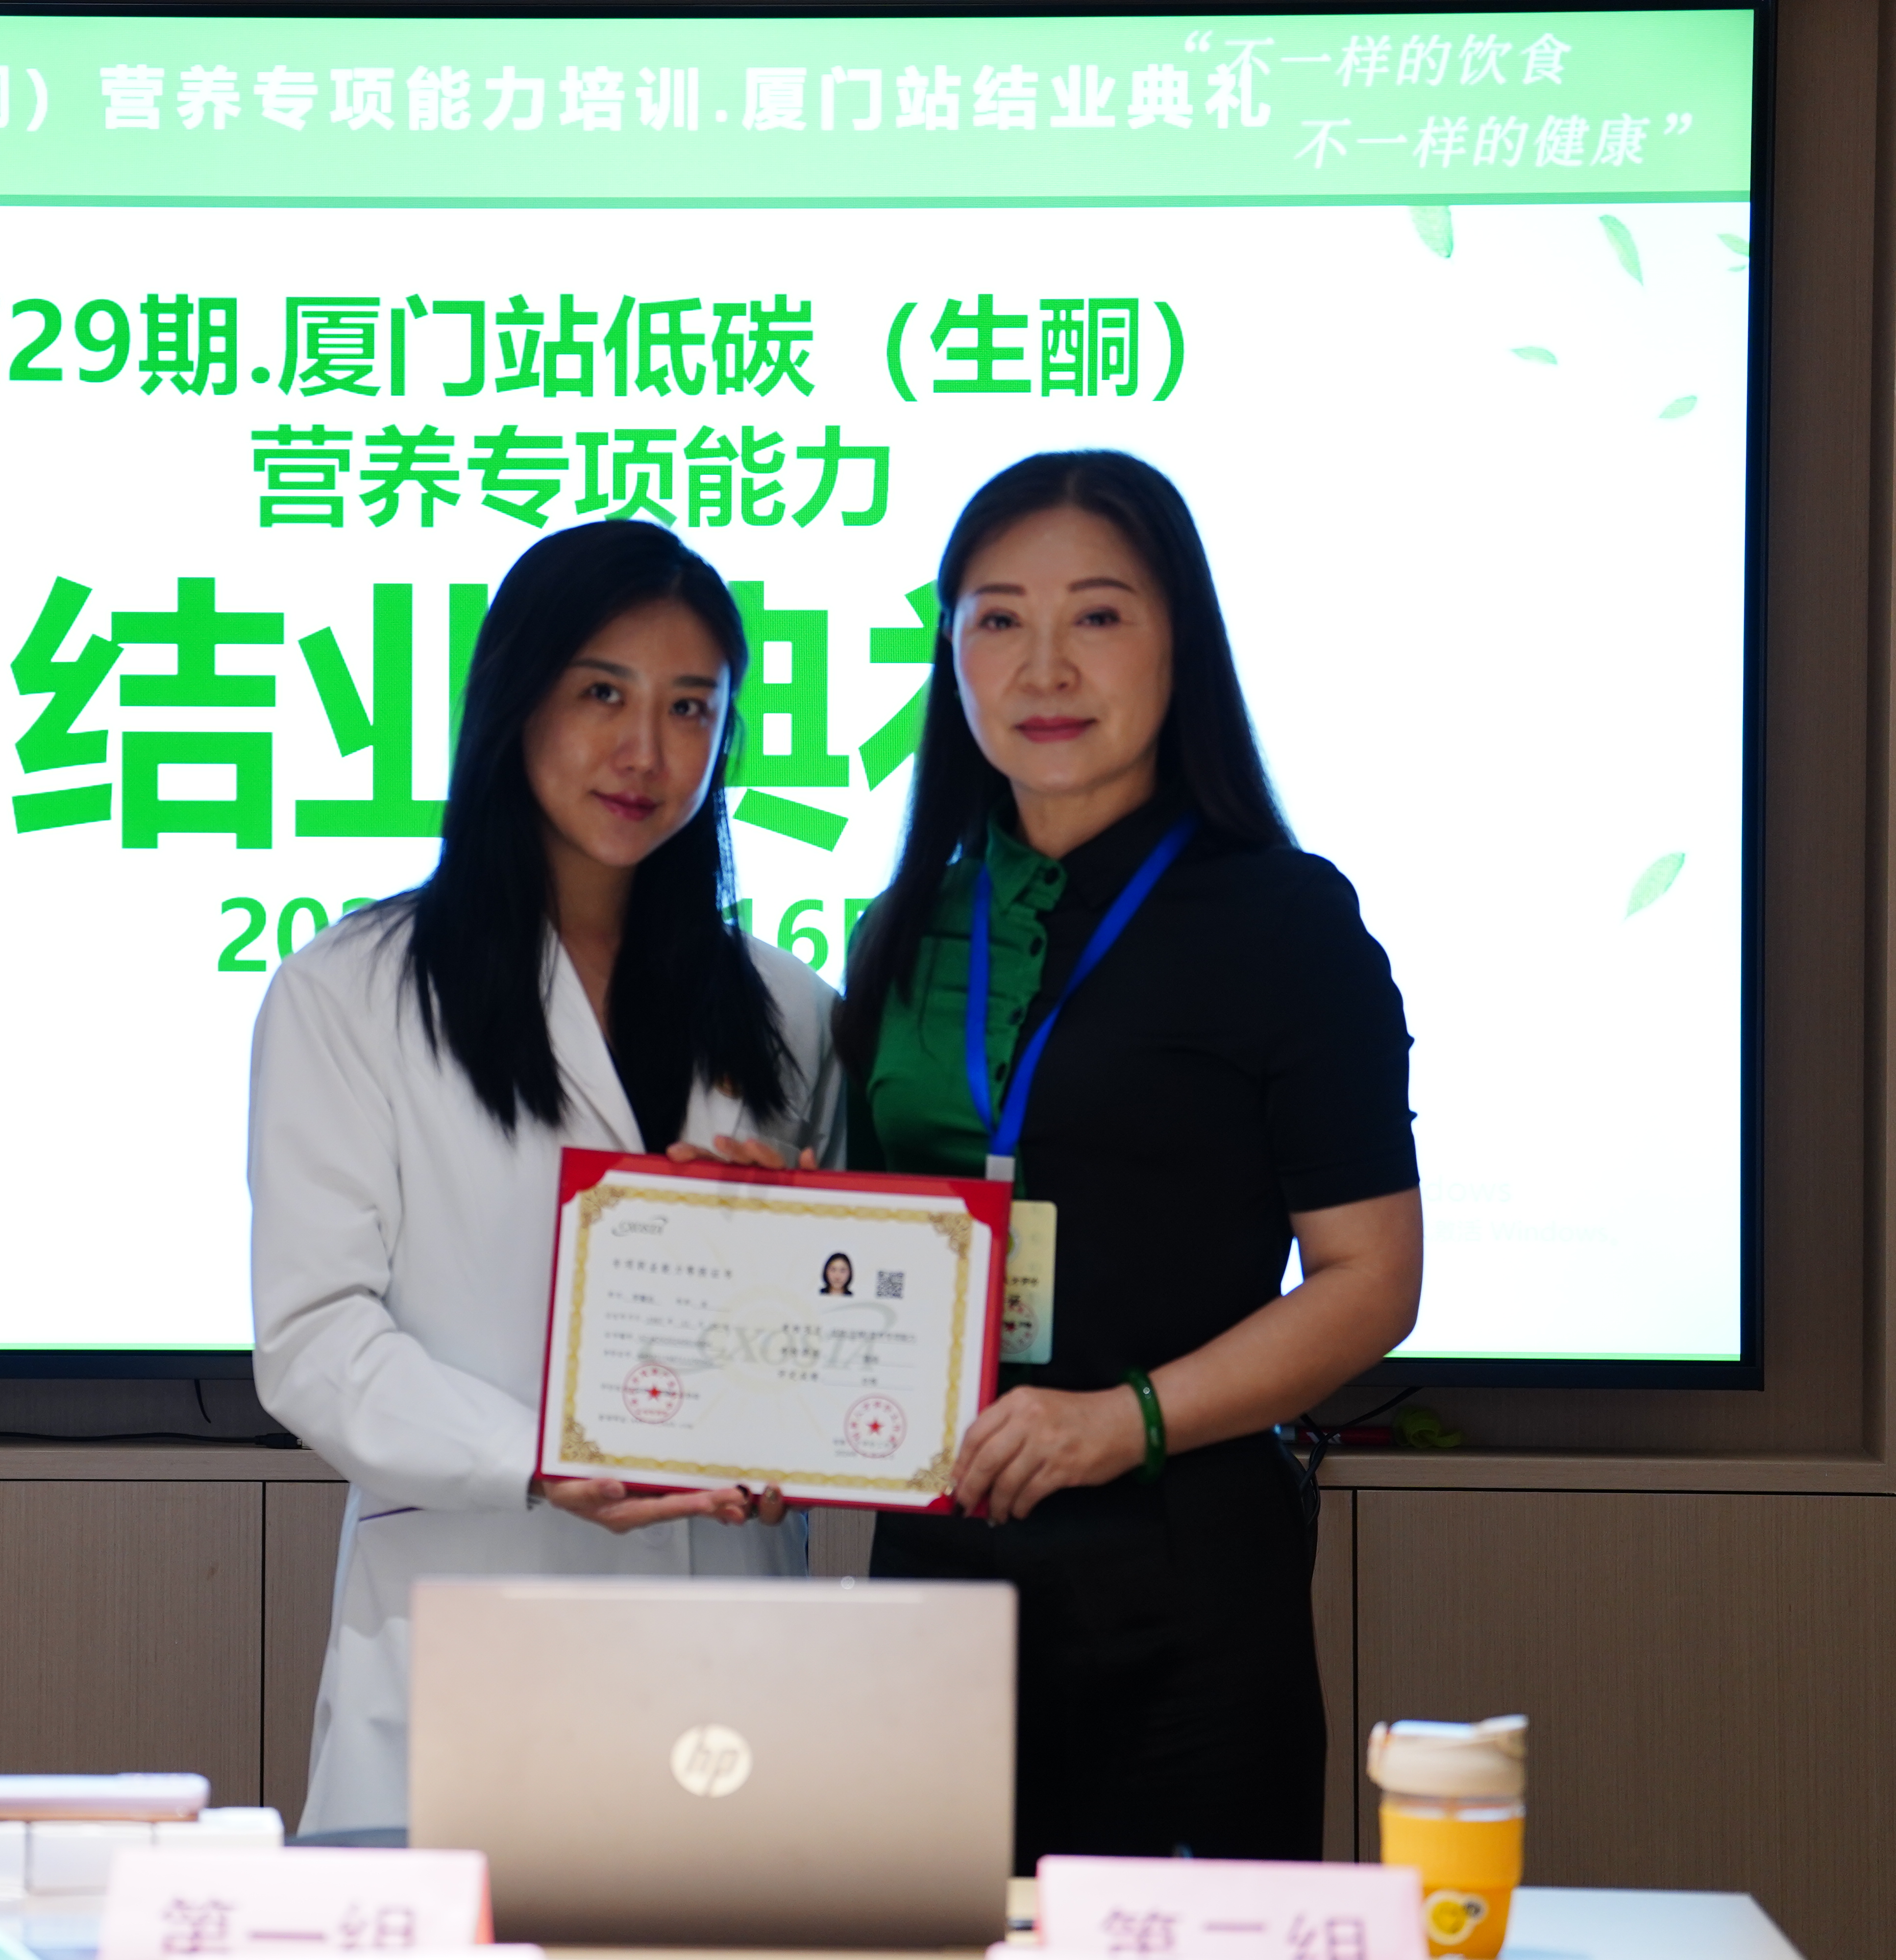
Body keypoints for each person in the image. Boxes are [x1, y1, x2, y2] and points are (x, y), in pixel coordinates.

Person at [839, 451, 1423, 1865]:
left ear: (1182, 646)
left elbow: (1372, 1279)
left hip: (1185, 1579)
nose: (1044, 666)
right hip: (937, 1569)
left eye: (1098, 616)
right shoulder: (907, 927)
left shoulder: (1284, 922)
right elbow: (877, 1241)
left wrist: (1122, 1422)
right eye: (997, 619)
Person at [251, 521, 845, 1838]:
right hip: (472, 1627)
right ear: (514, 703)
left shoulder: (789, 1012)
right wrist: (540, 1459)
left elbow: (844, 1340)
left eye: (691, 708)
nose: (646, 752)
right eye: (602, 694)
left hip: (729, 1649)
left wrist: (795, 1268)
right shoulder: (348, 995)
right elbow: (315, 1340)